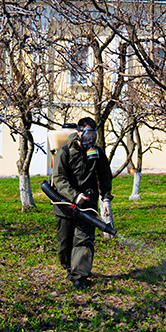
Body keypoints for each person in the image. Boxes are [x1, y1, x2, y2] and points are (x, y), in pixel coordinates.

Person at [51, 117, 113, 289]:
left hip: (88, 205)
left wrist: (105, 197)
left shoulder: (97, 153)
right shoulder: (65, 152)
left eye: (93, 135)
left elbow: (105, 176)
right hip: (65, 205)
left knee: (84, 241)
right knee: (65, 243)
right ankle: (69, 267)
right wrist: (73, 196)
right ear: (78, 133)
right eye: (87, 135)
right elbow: (59, 179)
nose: (90, 139)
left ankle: (79, 275)